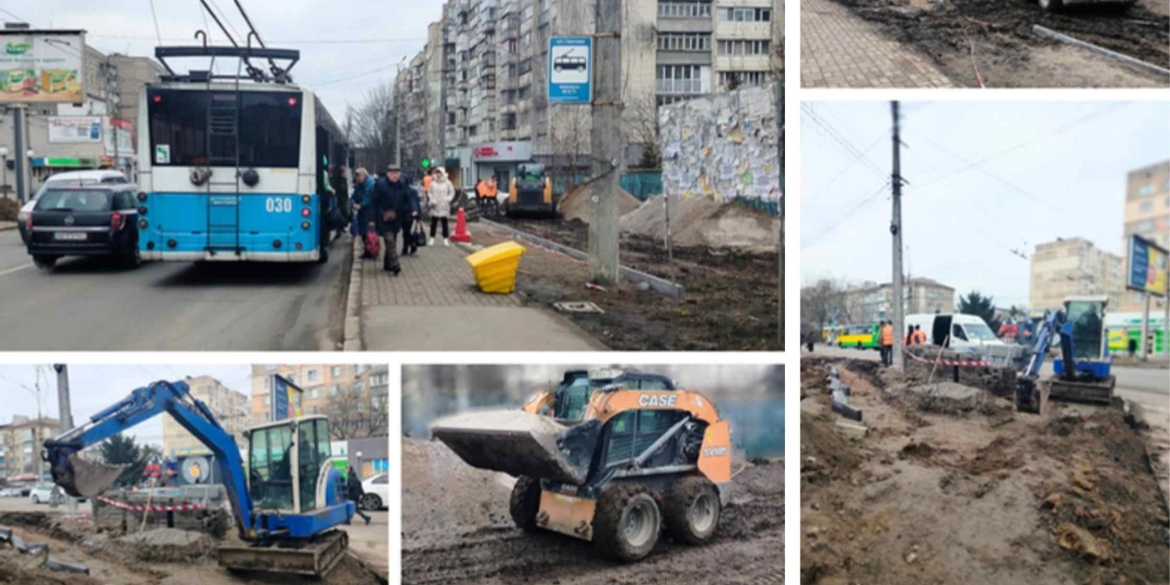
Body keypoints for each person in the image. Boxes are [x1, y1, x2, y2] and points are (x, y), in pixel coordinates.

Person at [373, 164, 410, 275]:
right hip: (383, 218)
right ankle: (395, 265)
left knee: (392, 241)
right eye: (393, 173)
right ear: (388, 174)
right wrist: (372, 218)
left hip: (396, 218)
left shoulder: (401, 185)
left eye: (397, 173)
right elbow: (374, 201)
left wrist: (413, 209)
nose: (395, 175)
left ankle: (387, 264)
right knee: (389, 240)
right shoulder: (380, 185)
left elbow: (408, 198)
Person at [426, 167, 457, 246]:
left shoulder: (448, 183)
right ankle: (432, 238)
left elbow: (452, 192)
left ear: (443, 173)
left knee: (444, 223)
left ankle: (445, 239)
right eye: (437, 172)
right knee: (433, 223)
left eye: (440, 172)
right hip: (435, 205)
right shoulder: (433, 183)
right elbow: (429, 192)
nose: (438, 174)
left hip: (444, 206)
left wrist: (448, 199)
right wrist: (431, 199)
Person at [350, 168, 376, 256]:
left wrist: (361, 205)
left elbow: (370, 198)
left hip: (369, 211)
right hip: (361, 211)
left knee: (369, 232)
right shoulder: (358, 185)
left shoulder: (371, 184)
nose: (357, 178)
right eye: (356, 176)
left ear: (364, 175)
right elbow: (353, 196)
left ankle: (372, 250)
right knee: (362, 231)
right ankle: (367, 250)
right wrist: (353, 203)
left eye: (359, 176)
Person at [402, 179, 422, 257]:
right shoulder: (413, 191)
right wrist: (418, 215)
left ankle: (406, 248)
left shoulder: (402, 191)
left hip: (406, 214)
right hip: (410, 214)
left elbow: (414, 202)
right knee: (406, 232)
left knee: (406, 232)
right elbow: (417, 203)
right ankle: (411, 245)